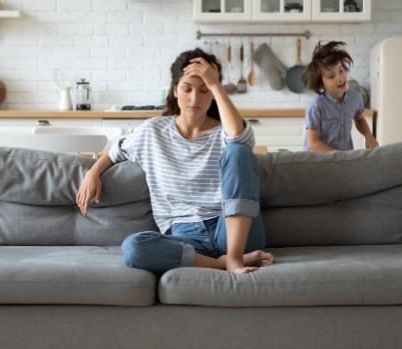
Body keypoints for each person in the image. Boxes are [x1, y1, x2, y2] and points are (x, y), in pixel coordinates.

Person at [76, 48, 275, 275]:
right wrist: (92, 173)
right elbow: (114, 153)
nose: (194, 98)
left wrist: (216, 84)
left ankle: (235, 255)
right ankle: (226, 263)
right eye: (187, 88)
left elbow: (239, 138)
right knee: (134, 247)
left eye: (204, 89)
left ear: (212, 94)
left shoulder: (226, 132)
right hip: (185, 236)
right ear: (175, 91)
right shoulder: (153, 131)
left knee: (238, 151)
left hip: (232, 228)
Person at [301, 41, 378, 152]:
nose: (340, 78)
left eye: (341, 71)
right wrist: (337, 156)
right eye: (331, 76)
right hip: (318, 162)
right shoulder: (316, 106)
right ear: (321, 83)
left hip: (344, 158)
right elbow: (313, 143)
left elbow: (359, 119)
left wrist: (368, 135)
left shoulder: (355, 98)